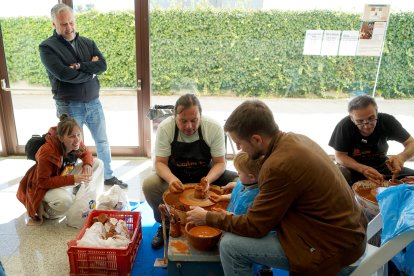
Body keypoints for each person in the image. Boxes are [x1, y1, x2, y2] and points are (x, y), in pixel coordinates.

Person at [186, 100, 368, 275]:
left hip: (333, 249)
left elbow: (255, 227)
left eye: (239, 143)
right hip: (347, 233)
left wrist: (208, 217)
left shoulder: (278, 166)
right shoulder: (296, 139)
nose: (240, 149)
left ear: (256, 139)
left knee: (230, 246)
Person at [39, 3, 127, 189]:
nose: (69, 28)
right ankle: (77, 182)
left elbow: (102, 66)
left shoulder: (88, 42)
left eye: (71, 22)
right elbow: (63, 74)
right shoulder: (47, 47)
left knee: (102, 141)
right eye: (63, 24)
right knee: (74, 146)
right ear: (53, 24)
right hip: (69, 105)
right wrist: (90, 70)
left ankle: (108, 176)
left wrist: (79, 66)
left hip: (94, 102)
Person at [142, 93, 238, 249]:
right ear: (175, 117)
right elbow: (160, 163)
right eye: (183, 121)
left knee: (240, 183)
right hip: (176, 176)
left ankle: (221, 222)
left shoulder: (212, 127)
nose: (189, 126)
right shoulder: (166, 128)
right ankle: (167, 223)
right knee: (150, 185)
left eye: (194, 120)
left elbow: (220, 163)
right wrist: (171, 179)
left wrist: (208, 180)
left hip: (206, 174)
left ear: (201, 116)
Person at [16, 114, 104, 226]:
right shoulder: (47, 152)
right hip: (43, 186)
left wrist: (87, 164)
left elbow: (86, 152)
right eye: (72, 136)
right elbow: (42, 182)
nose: (77, 139)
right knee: (67, 202)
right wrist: (72, 179)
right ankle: (46, 211)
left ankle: (91, 200)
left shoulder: (75, 140)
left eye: (78, 134)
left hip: (61, 176)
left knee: (97, 163)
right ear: (61, 138)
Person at [329, 95, 414, 186]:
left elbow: (411, 143)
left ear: (377, 112)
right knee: (336, 177)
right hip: (353, 168)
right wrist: (363, 169)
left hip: (382, 165)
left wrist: (402, 157)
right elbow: (340, 156)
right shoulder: (344, 126)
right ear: (352, 119)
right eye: (360, 121)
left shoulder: (387, 121)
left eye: (371, 118)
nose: (367, 126)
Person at [210, 151, 272, 276]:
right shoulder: (245, 182)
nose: (237, 175)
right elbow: (238, 193)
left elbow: (241, 222)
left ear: (251, 177)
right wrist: (223, 198)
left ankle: (265, 268)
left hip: (248, 230)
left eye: (239, 173)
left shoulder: (253, 197)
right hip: (236, 218)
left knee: (231, 243)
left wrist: (223, 215)